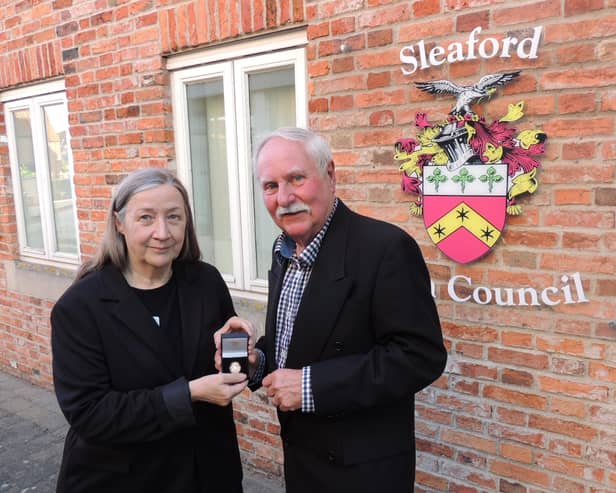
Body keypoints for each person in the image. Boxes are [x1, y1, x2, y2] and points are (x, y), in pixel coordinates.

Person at [218, 127, 447, 493]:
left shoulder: (385, 248)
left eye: (296, 178)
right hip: (302, 463)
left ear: (330, 175)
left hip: (362, 472)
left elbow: (420, 356)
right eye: (271, 186)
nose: (285, 197)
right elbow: (296, 343)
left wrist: (311, 386)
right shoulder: (284, 251)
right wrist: (257, 361)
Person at [51, 167, 253, 493]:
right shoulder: (80, 307)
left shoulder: (205, 282)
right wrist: (190, 393)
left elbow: (226, 361)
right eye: (146, 218)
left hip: (209, 474)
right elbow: (90, 414)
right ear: (119, 223)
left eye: (174, 217)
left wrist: (246, 355)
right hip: (124, 478)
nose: (162, 232)